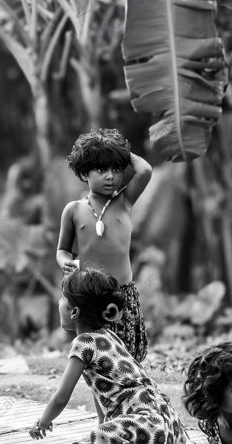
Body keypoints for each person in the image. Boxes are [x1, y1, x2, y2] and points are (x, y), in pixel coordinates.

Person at [29, 267, 185, 444]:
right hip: (167, 428)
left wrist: (42, 423)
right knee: (96, 439)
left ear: (74, 312)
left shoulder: (83, 343)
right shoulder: (108, 335)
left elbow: (62, 397)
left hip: (144, 426)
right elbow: (98, 390)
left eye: (63, 298)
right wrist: (103, 426)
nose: (59, 303)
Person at [56, 129, 153, 363]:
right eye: (101, 170)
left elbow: (145, 170)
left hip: (122, 293)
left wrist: (117, 151)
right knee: (96, 357)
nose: (110, 176)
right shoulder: (73, 210)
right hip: (89, 295)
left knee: (129, 356)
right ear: (84, 173)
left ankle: (129, 396)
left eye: (116, 169)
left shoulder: (125, 202)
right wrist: (65, 262)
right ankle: (100, 398)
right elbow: (62, 250)